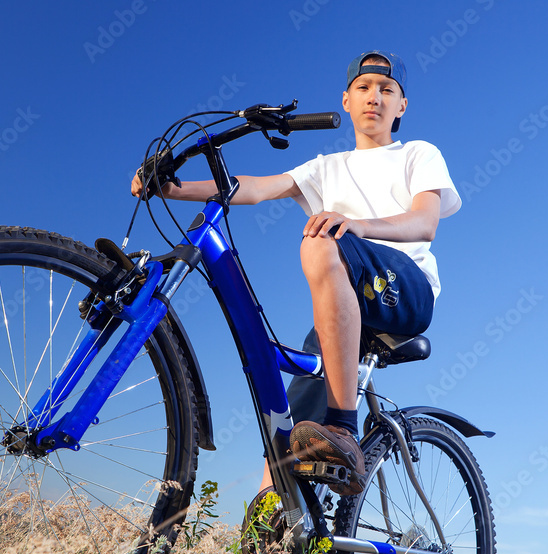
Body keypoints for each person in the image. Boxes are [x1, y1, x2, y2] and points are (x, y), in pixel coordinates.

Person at [131, 50, 461, 502]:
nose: (375, 98)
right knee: (286, 441)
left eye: (387, 91)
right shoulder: (326, 167)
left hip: (404, 288)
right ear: (345, 100)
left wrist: (358, 226)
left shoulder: (418, 154)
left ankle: (343, 428)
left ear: (401, 106)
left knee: (322, 237)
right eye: (363, 88)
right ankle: (268, 546)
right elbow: (254, 187)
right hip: (343, 305)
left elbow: (424, 221)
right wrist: (172, 189)